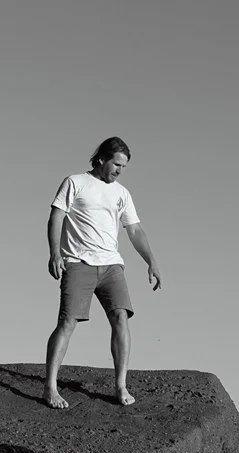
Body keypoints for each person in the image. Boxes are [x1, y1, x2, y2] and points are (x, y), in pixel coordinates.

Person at [44, 136, 162, 409]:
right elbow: (56, 216)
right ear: (101, 159)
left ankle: (121, 385)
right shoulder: (75, 182)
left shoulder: (122, 193)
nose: (119, 170)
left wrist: (151, 261)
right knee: (68, 322)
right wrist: (54, 253)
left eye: (124, 166)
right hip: (78, 263)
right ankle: (50, 387)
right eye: (116, 164)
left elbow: (134, 229)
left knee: (121, 317)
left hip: (111, 265)